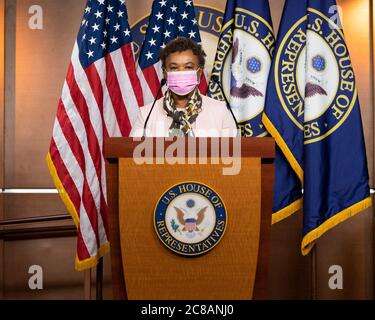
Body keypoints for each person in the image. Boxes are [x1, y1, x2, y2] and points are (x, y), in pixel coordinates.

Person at [130, 37, 238, 138]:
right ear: (165, 73)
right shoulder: (146, 114)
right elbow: (131, 154)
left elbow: (235, 153)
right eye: (174, 68)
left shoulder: (220, 111)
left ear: (199, 73)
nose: (181, 72)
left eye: (188, 67)